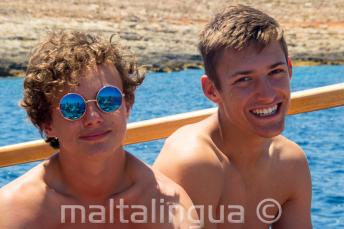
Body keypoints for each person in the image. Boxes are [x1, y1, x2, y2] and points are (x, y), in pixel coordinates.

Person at [0, 31, 199, 228]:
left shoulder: (170, 209)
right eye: (73, 106)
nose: (93, 118)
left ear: (126, 106)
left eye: (108, 100)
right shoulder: (15, 213)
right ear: (47, 123)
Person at [154, 5, 312, 229]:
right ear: (211, 90)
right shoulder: (194, 163)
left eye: (275, 72)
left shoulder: (291, 163)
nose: (267, 95)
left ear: (289, 69)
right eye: (244, 80)